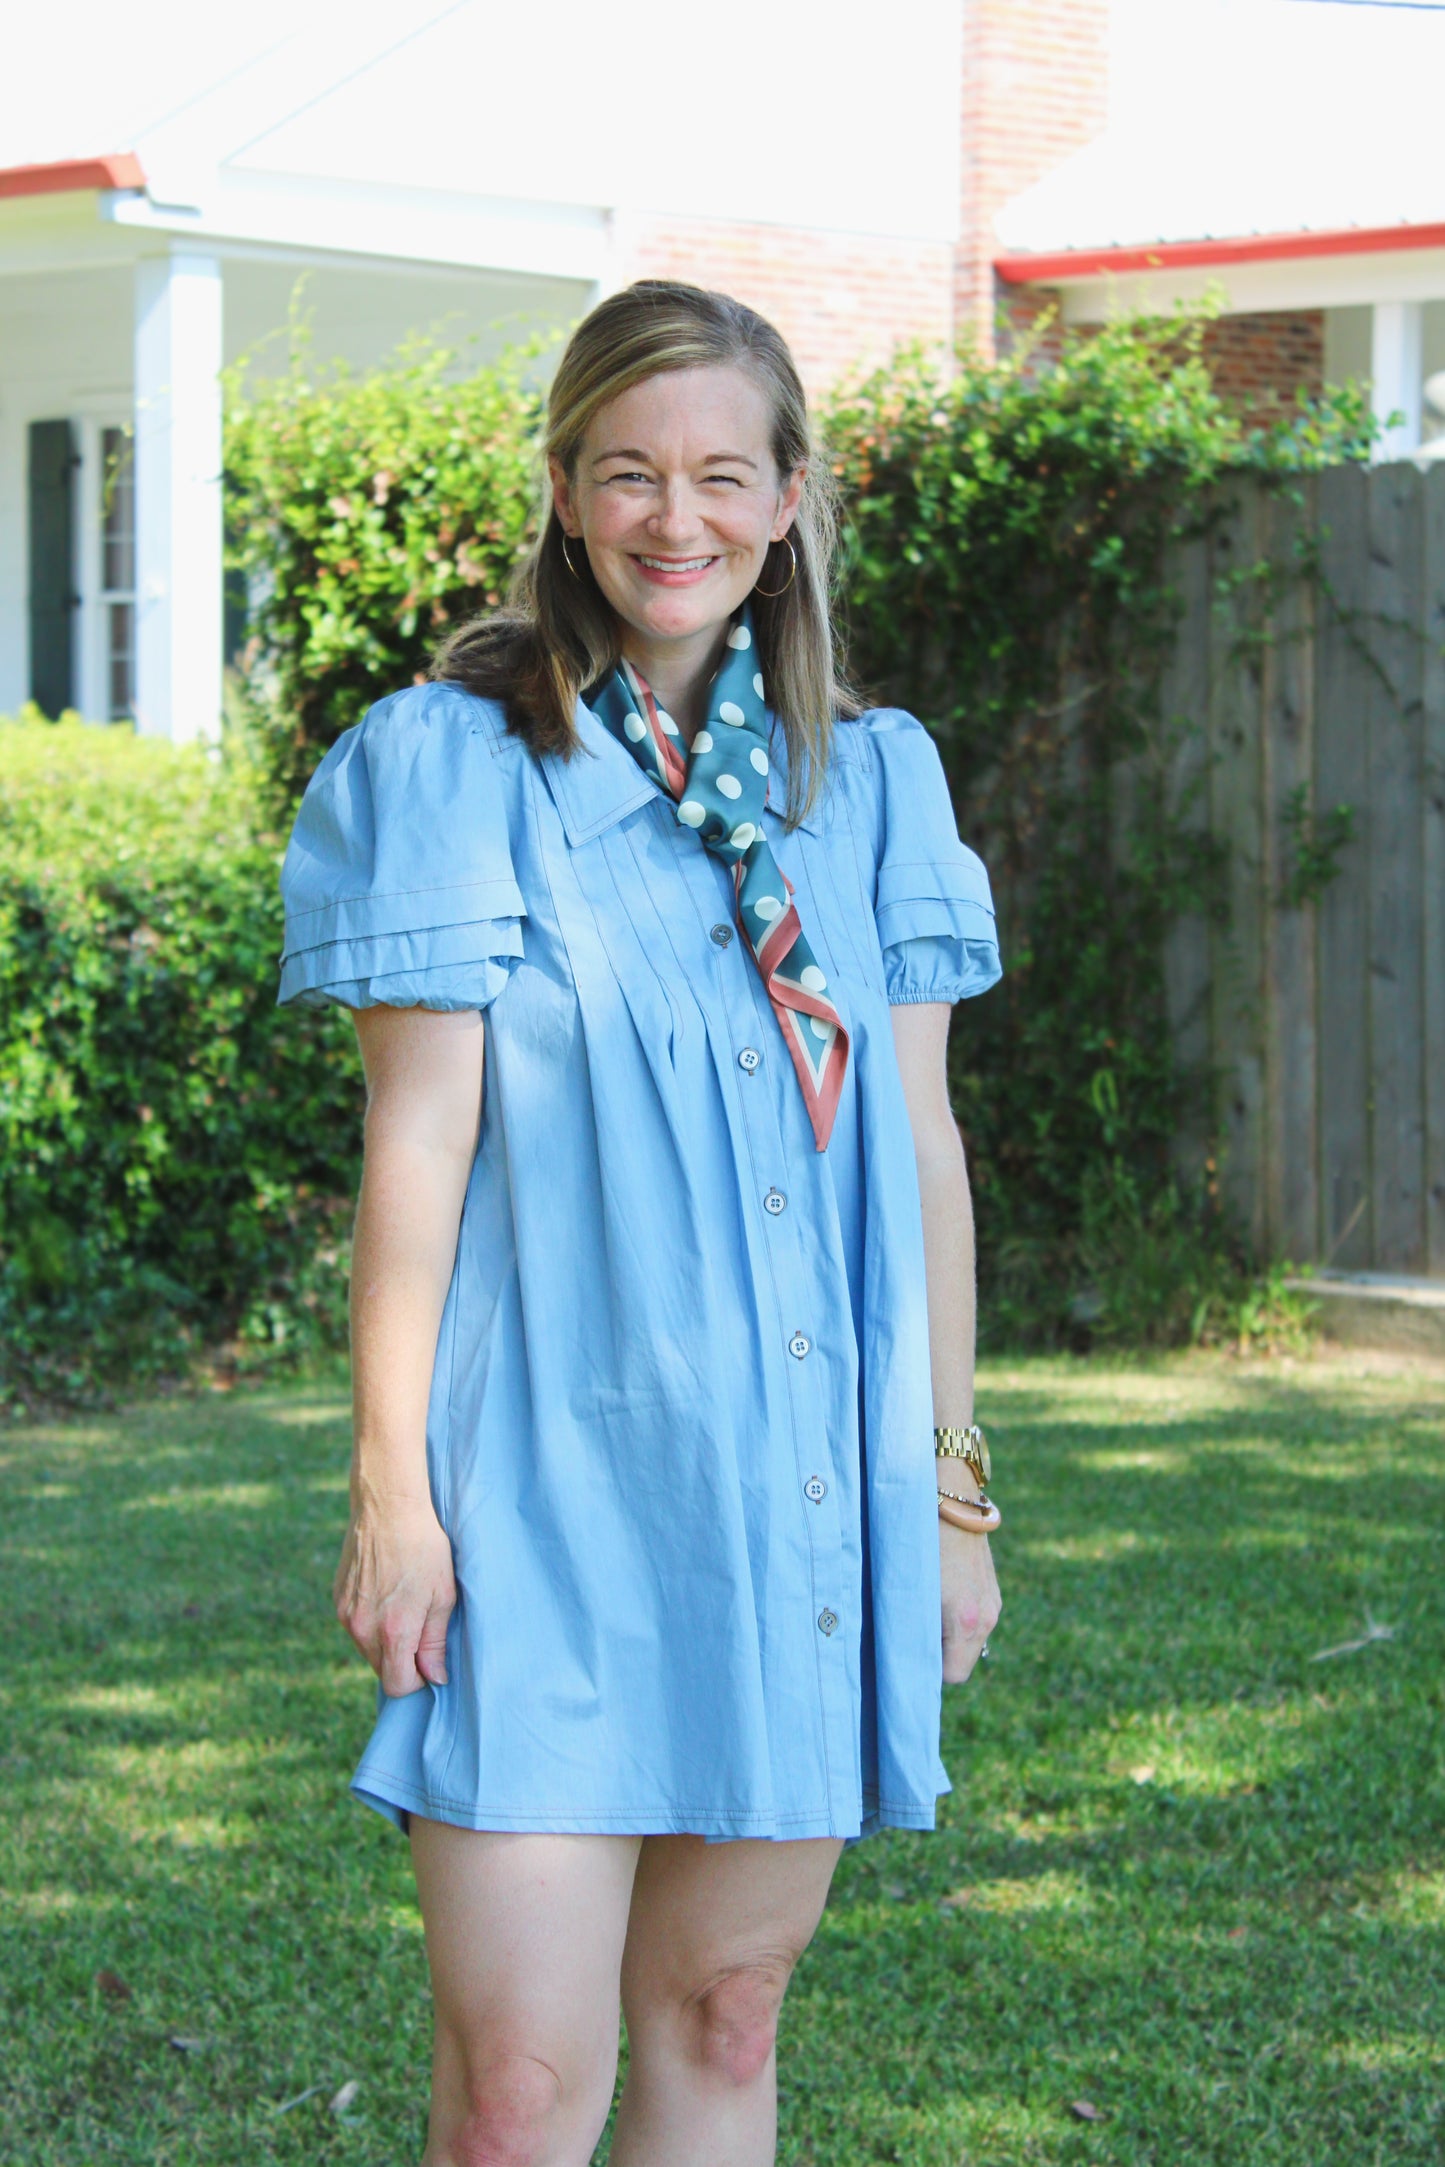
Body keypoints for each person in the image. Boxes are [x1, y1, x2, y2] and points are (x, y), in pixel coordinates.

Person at [277, 279, 1003, 2167]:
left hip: (800, 1500)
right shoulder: (450, 769)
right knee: (513, 2100)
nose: (672, 519)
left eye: (716, 475)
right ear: (564, 491)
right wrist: (391, 1491)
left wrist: (948, 1491)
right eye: (626, 473)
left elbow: (919, 1146)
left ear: (783, 503)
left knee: (724, 2017)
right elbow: (415, 1151)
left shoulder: (875, 786)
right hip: (539, 1500)